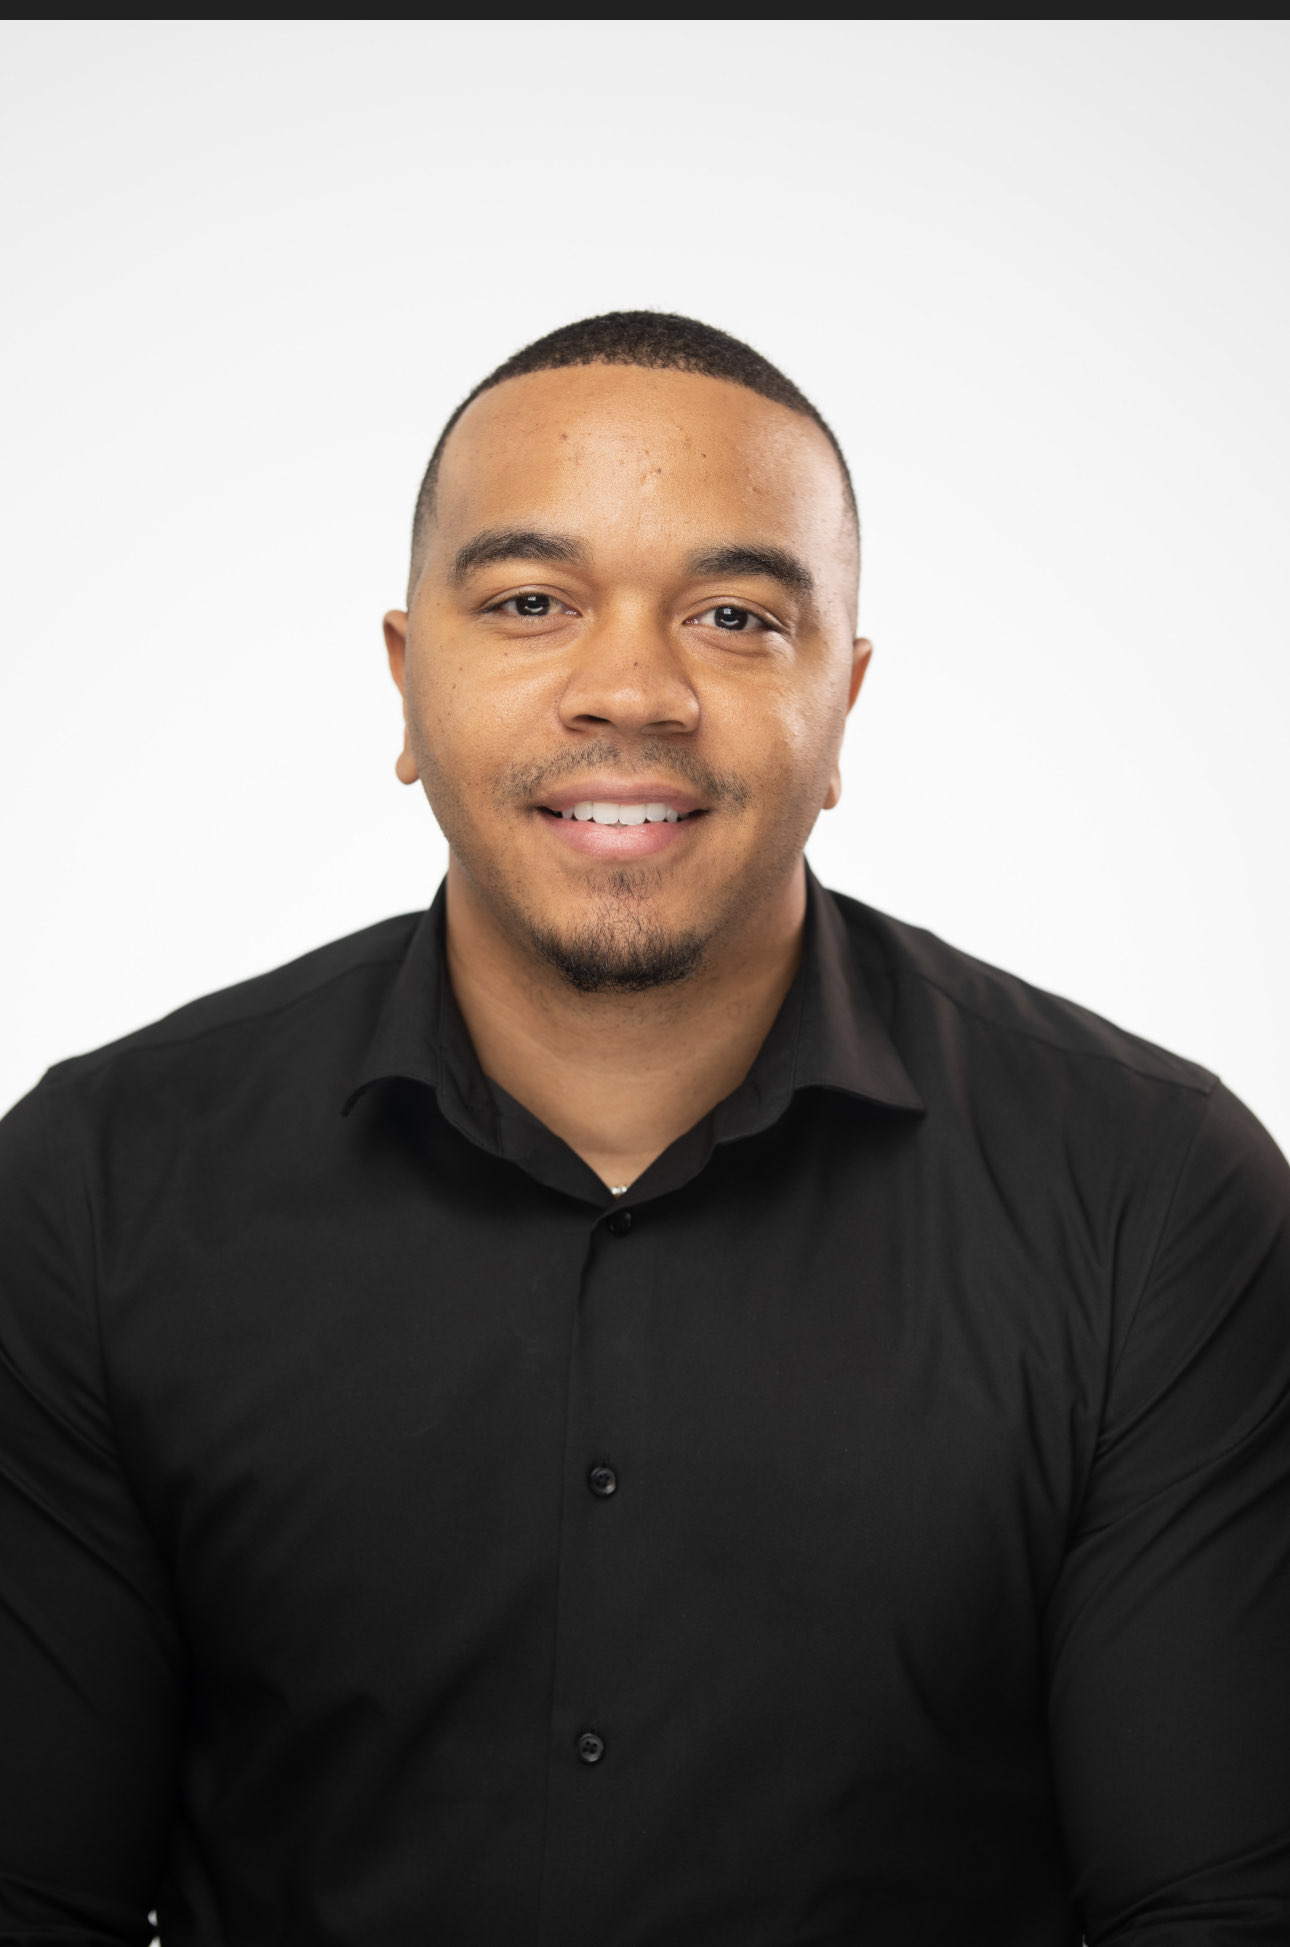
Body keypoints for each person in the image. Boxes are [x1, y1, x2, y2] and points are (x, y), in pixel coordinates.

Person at [1, 311, 1287, 1947]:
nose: (630, 690)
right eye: (530, 604)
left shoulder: (1149, 1199)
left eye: (735, 617)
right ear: (405, 680)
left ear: (841, 701)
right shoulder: (96, 1189)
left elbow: (1222, 1912)